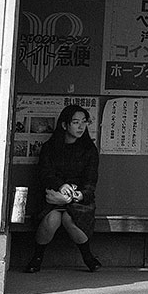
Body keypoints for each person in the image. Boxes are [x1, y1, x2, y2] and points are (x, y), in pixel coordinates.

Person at [25, 104, 101, 273]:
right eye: (75, 122)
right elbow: (45, 174)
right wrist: (61, 187)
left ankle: (88, 257)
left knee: (69, 218)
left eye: (84, 122)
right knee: (52, 219)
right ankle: (36, 258)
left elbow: (90, 181)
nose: (81, 126)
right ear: (65, 125)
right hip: (51, 197)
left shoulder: (89, 150)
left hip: (79, 201)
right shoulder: (50, 148)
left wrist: (76, 196)